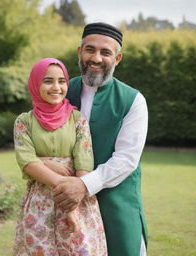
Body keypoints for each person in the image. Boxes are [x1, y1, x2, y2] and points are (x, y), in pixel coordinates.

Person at [52, 22, 148, 256]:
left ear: (117, 58)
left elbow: (126, 159)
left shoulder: (133, 100)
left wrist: (84, 185)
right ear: (79, 52)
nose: (96, 58)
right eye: (90, 49)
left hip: (116, 204)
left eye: (105, 52)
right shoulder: (59, 91)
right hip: (64, 203)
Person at [13, 58, 107, 255]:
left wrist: (72, 202)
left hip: (77, 196)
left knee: (79, 248)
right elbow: (27, 162)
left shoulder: (78, 119)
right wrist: (59, 178)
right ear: (35, 84)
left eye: (61, 81)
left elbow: (84, 159)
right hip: (42, 201)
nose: (56, 87)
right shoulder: (24, 122)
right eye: (48, 81)